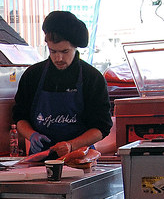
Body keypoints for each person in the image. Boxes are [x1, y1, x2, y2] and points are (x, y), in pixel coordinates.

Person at [12, 11, 112, 159]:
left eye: (65, 51)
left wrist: (72, 145)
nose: (58, 58)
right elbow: (20, 117)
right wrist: (31, 135)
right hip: (40, 159)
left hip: (79, 157)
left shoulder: (92, 78)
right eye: (53, 51)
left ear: (75, 47)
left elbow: (101, 127)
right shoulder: (33, 75)